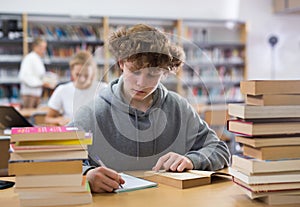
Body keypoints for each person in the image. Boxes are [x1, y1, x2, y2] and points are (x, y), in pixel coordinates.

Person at [69, 24, 231, 193]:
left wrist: (192, 160)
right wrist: (86, 175)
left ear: (164, 72)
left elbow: (219, 149)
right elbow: (53, 160)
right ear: (121, 63)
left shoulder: (178, 107)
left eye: (153, 74)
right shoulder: (93, 111)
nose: (142, 83)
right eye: (135, 71)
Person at [45, 50, 107, 126]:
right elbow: (48, 118)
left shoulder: (104, 89)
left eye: (86, 75)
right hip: (71, 133)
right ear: (71, 71)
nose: (82, 79)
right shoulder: (62, 90)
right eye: (78, 75)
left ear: (93, 72)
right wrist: (60, 120)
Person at [18, 37, 51, 108]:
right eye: (42, 48)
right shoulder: (29, 58)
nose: (44, 50)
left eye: (45, 48)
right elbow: (24, 76)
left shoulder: (38, 59)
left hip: (37, 93)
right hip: (29, 94)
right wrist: (41, 83)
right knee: (27, 116)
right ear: (35, 47)